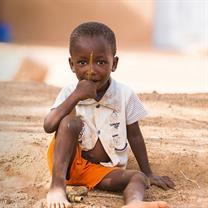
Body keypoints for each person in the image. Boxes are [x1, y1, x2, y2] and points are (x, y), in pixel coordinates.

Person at [43, 22, 175, 208]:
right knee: (69, 122)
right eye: (82, 62)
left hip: (103, 172)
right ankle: (56, 188)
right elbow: (49, 126)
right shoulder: (69, 92)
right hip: (69, 168)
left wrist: (148, 172)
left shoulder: (124, 94)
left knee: (138, 177)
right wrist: (76, 97)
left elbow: (135, 135)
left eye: (101, 62)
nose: (91, 70)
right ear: (72, 65)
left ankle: (134, 203)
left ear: (114, 63)